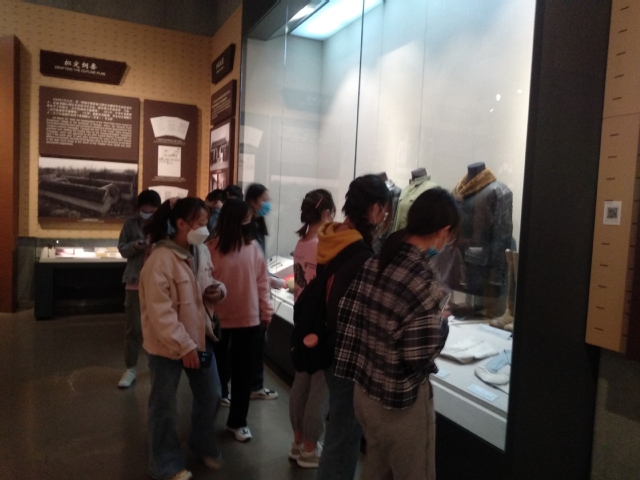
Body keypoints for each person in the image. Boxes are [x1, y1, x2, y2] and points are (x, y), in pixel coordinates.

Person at [334, 188, 459, 480]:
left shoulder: (376, 260)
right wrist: (440, 324)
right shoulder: (421, 278)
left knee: (376, 468)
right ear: (443, 232)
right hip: (399, 405)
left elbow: (348, 316)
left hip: (365, 394)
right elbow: (418, 356)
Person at [139, 197, 227, 480]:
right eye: (200, 223)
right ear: (180, 224)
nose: (205, 229)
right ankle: (165, 464)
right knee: (164, 406)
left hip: (199, 339)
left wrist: (217, 290)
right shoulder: (160, 260)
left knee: (211, 394)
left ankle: (201, 442)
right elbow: (160, 314)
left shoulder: (200, 251)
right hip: (167, 348)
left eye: (206, 223)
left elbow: (207, 284)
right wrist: (185, 346)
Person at [315, 174, 390, 480]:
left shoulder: (331, 236)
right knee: (344, 434)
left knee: (339, 427)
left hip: (328, 343)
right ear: (374, 208)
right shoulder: (361, 253)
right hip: (347, 353)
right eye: (383, 209)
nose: (384, 216)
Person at [207, 199, 275, 442]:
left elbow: (262, 282)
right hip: (216, 321)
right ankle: (210, 412)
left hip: (248, 320)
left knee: (243, 373)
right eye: (246, 218)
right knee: (215, 370)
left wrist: (266, 311)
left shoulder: (252, 247)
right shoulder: (210, 247)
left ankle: (238, 421)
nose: (250, 222)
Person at [289, 189, 336, 468]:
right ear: (327, 212)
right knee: (319, 387)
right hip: (318, 322)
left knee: (301, 382)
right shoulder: (322, 244)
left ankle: (297, 441)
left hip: (302, 317)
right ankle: (309, 447)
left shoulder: (303, 241)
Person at [116, 189, 161, 389]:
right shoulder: (130, 223)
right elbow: (122, 249)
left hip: (157, 282)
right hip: (134, 280)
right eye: (145, 210)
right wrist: (135, 245)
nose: (147, 214)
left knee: (158, 327)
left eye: (152, 211)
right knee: (133, 328)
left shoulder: (163, 223)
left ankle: (156, 366)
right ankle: (130, 368)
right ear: (138, 208)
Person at [245, 183, 282, 400]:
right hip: (253, 294)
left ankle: (253, 385)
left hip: (258, 289)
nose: (267, 204)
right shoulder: (249, 227)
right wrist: (267, 279)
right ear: (253, 201)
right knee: (256, 342)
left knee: (258, 342)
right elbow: (252, 263)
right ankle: (253, 386)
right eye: (264, 200)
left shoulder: (257, 223)